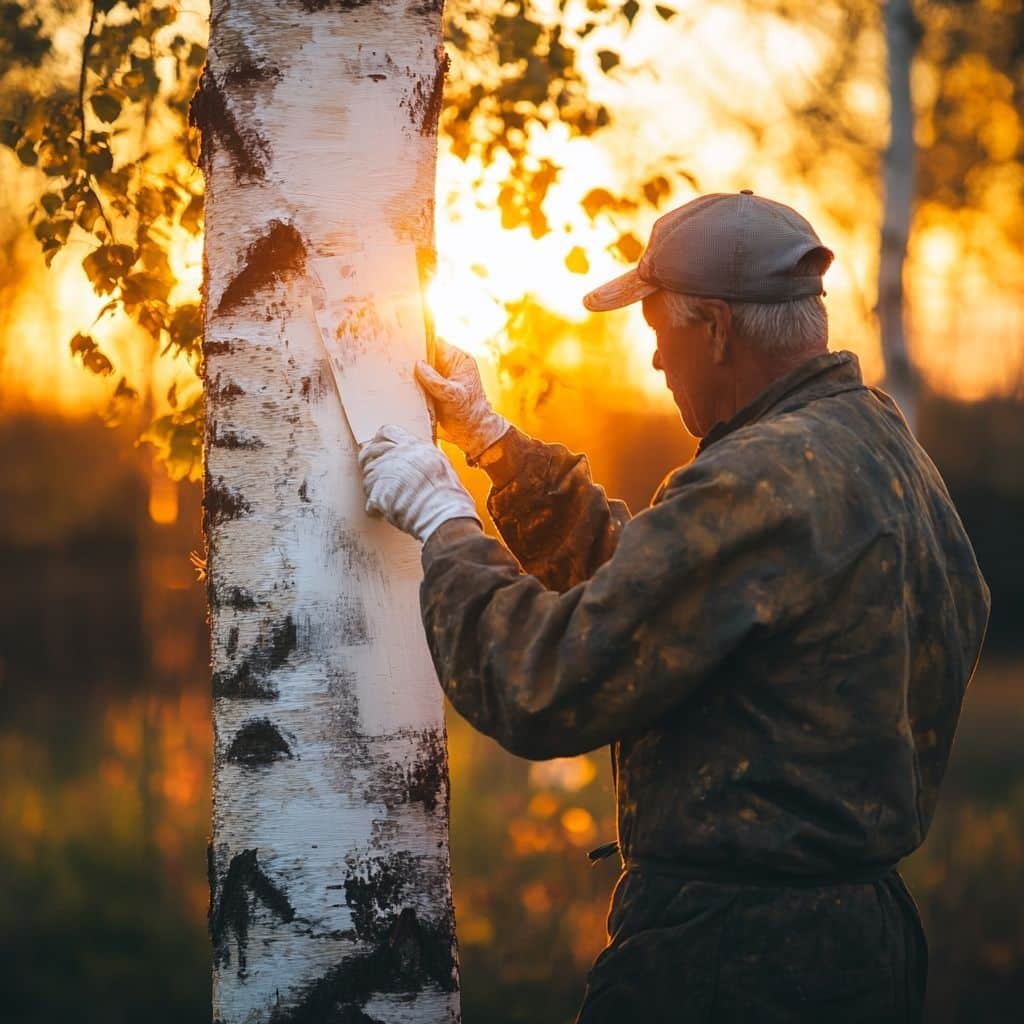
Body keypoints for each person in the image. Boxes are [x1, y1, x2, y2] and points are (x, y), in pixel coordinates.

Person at [357, 191, 990, 1022]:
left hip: (731, 962)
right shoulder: (875, 444)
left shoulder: (758, 481)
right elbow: (667, 601)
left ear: (718, 330)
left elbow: (544, 680)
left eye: (659, 334)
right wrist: (497, 448)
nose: (656, 363)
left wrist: (445, 524)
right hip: (862, 947)